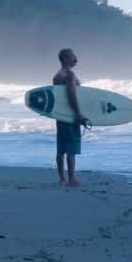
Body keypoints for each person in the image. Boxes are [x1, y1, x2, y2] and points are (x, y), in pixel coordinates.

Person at [53, 47, 90, 186]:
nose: (75, 59)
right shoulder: (70, 75)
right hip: (70, 114)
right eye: (73, 56)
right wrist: (77, 113)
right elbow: (71, 94)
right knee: (71, 147)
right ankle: (72, 179)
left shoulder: (57, 76)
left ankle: (62, 178)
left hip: (60, 115)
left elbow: (58, 98)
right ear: (65, 58)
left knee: (61, 147)